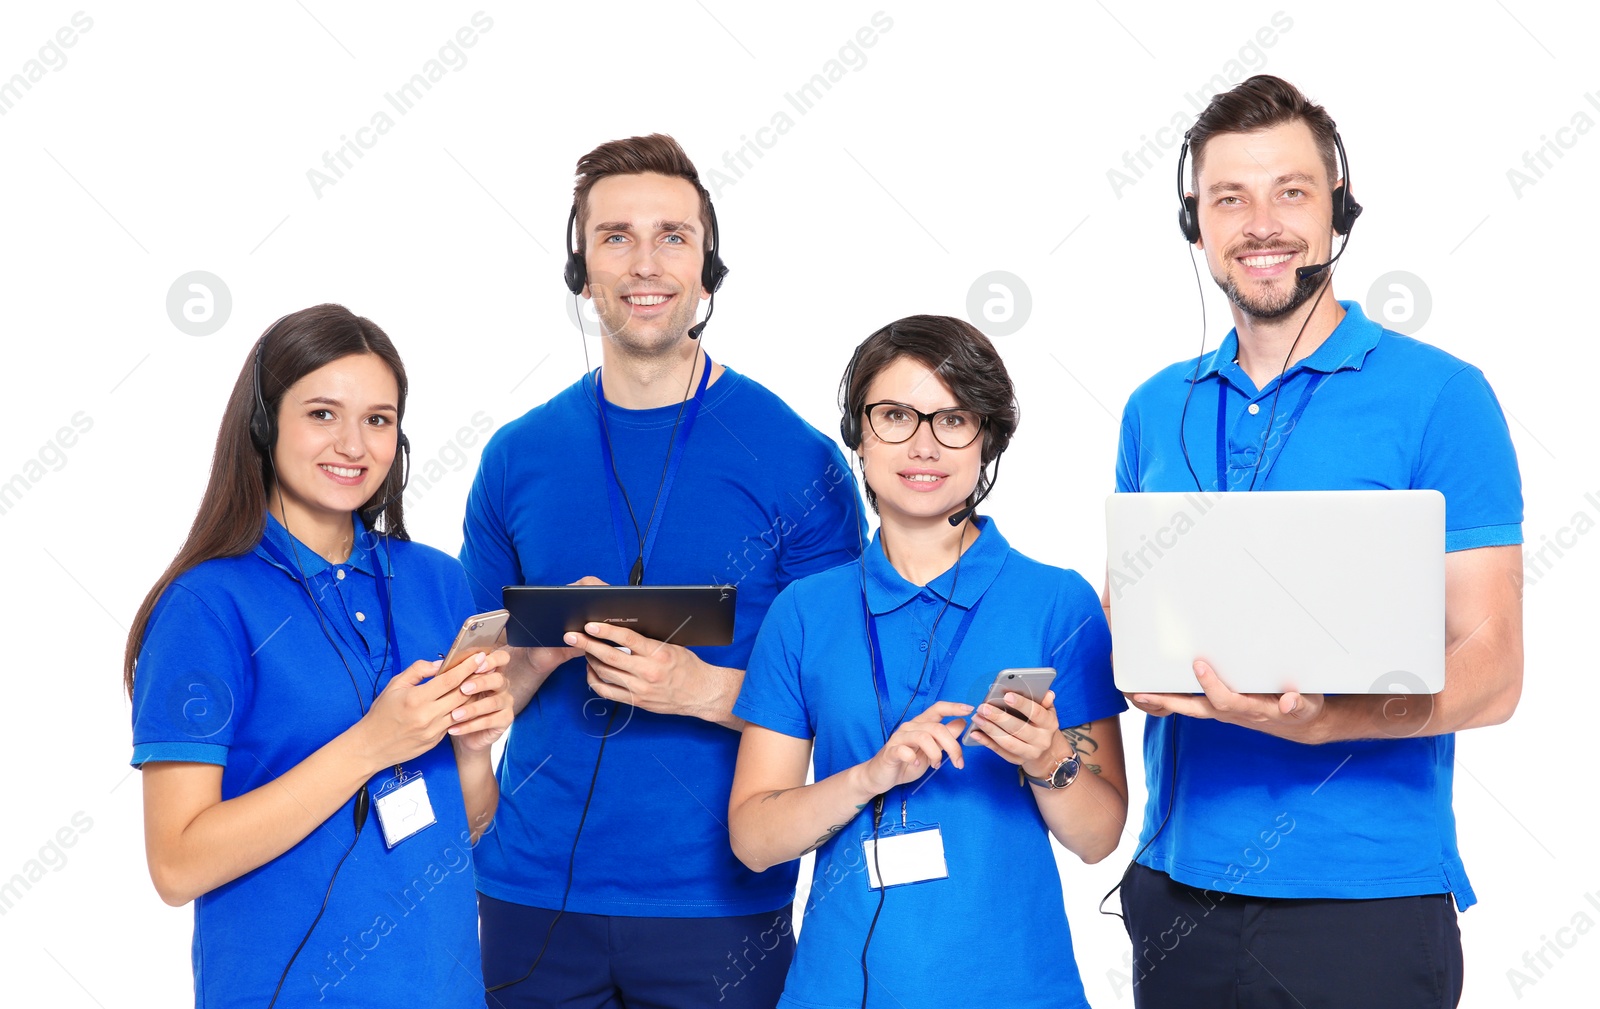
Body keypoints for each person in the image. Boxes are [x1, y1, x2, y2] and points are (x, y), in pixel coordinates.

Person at [1110, 75, 1523, 1008]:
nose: (1262, 223)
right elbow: (1135, 613)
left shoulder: (1440, 396)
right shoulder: (1154, 408)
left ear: (1340, 210)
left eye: (1291, 191)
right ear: (1196, 224)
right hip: (1178, 887)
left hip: (1365, 898)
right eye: (1230, 198)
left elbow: (1494, 669)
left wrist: (1328, 720)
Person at [459, 133, 862, 1009]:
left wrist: (699, 688)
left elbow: (852, 697)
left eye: (673, 236)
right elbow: (465, 688)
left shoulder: (801, 461)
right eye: (616, 237)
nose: (645, 263)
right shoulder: (514, 457)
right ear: (581, 269)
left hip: (720, 899)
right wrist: (537, 651)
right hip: (529, 895)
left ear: (708, 269)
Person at [728, 315, 1128, 1009]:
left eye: (953, 419)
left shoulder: (1056, 601)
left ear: (987, 440)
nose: (922, 444)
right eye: (895, 415)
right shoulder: (803, 612)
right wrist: (870, 775)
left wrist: (1047, 759)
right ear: (858, 434)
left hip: (1020, 990)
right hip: (837, 991)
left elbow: (1098, 838)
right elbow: (756, 840)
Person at [126, 304, 513, 1008]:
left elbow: (470, 823)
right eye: (323, 414)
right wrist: (371, 744)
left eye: (379, 419)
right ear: (264, 425)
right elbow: (176, 863)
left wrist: (473, 750)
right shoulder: (207, 604)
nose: (355, 444)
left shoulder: (437, 580)